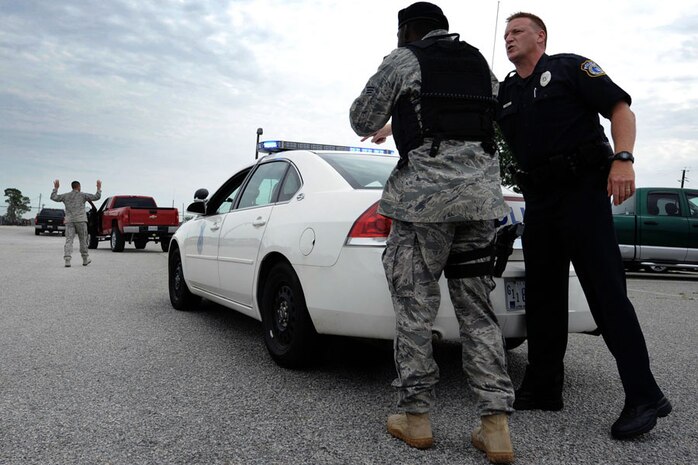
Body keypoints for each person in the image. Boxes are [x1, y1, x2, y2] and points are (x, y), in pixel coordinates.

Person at [350, 3, 515, 463]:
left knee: (414, 308)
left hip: (422, 206)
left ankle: (415, 416)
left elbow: (360, 119)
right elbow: (495, 117)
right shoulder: (481, 64)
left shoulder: (404, 60)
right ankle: (495, 425)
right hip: (481, 204)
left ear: (406, 31)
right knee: (478, 312)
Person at [496, 12, 671, 439]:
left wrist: (623, 158)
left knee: (607, 295)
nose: (509, 38)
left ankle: (644, 395)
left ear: (540, 36)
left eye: (517, 31)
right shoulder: (507, 91)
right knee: (543, 298)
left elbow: (619, 108)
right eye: (505, 34)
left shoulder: (570, 68)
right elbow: (465, 120)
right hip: (540, 200)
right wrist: (398, 123)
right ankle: (543, 386)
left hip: (582, 193)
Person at [51, 179, 102, 267]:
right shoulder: (83, 195)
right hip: (81, 221)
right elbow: (96, 197)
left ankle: (67, 260)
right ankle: (85, 259)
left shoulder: (65, 196)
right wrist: (98, 188)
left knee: (69, 240)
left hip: (69, 221)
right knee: (83, 240)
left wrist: (55, 188)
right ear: (78, 187)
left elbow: (53, 197)